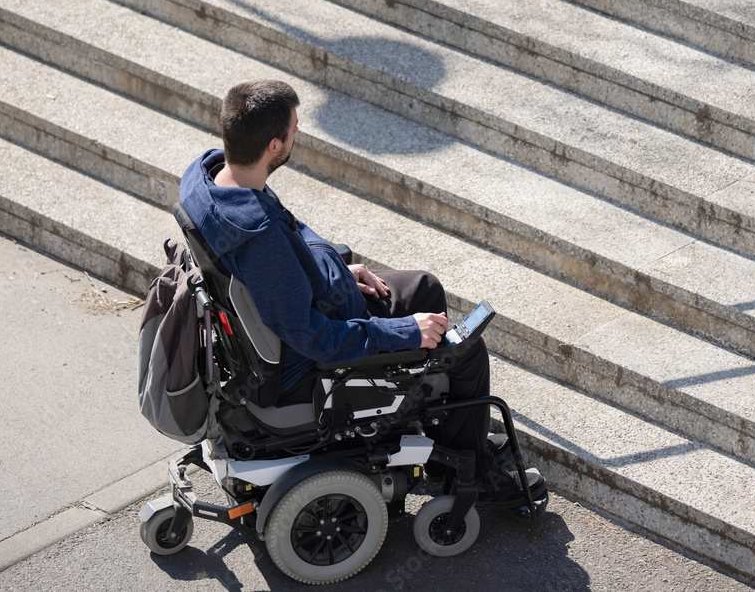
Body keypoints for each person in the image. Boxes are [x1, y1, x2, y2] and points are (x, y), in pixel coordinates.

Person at [179, 79, 537, 502]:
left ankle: (447, 434)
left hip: (308, 308)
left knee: (423, 287)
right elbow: (314, 339)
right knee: (464, 352)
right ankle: (475, 474)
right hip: (308, 364)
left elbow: (289, 254)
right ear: (274, 145)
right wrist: (406, 332)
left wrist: (339, 270)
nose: (299, 134)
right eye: (295, 128)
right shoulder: (259, 238)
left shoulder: (212, 179)